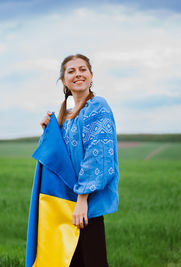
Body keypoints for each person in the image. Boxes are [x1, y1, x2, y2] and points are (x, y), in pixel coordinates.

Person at [40, 54, 119, 267]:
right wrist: (50, 131)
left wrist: (82, 200)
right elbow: (56, 160)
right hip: (64, 206)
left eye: (83, 69)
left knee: (92, 262)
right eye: (71, 71)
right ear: (64, 81)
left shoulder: (97, 107)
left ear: (91, 75)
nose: (78, 74)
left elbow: (98, 155)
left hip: (86, 207)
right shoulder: (64, 116)